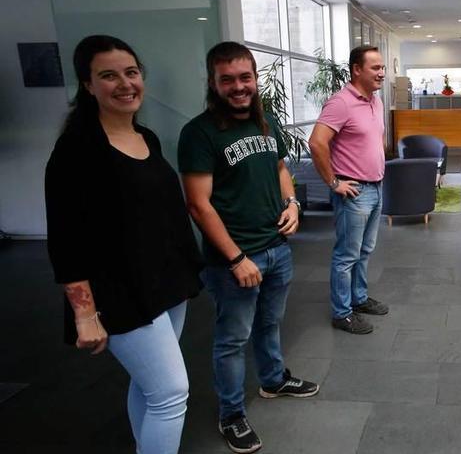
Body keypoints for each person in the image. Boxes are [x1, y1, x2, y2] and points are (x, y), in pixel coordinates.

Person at [45, 35, 203, 454]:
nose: (124, 83)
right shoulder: (76, 151)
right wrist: (83, 314)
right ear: (87, 85)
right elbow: (65, 239)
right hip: (119, 292)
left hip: (166, 282)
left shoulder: (145, 137)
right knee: (171, 393)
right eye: (108, 76)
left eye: (131, 73)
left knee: (151, 386)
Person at [178, 42, 318, 454]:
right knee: (232, 339)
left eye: (245, 78)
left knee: (270, 323)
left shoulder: (265, 120)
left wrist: (291, 203)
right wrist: (236, 257)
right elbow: (198, 204)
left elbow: (279, 168)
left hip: (276, 248)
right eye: (228, 80)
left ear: (255, 78)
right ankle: (232, 414)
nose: (238, 87)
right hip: (235, 259)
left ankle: (273, 380)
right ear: (212, 83)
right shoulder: (199, 133)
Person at [308, 45, 390, 334]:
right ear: (357, 69)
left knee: (365, 251)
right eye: (375, 68)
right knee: (346, 256)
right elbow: (317, 142)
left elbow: (375, 139)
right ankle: (342, 313)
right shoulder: (341, 102)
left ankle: (359, 298)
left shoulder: (375, 101)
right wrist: (333, 182)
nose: (382, 73)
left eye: (382, 67)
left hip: (376, 187)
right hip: (354, 191)